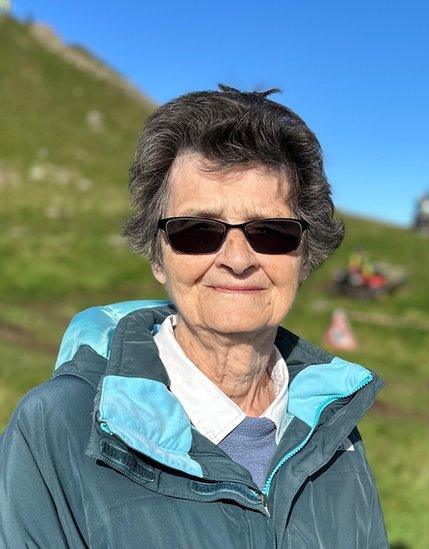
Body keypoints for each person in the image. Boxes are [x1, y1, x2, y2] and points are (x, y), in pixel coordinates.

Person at [0, 86, 388, 547]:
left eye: (271, 231)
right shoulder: (55, 427)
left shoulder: (335, 432)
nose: (238, 259)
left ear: (304, 256)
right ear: (158, 255)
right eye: (199, 231)